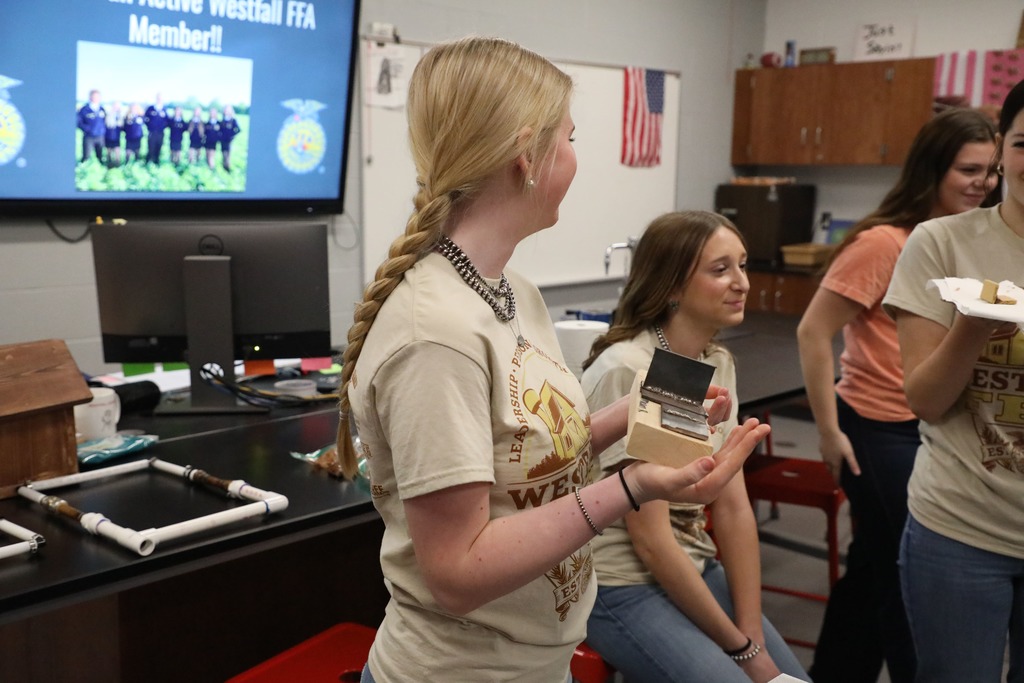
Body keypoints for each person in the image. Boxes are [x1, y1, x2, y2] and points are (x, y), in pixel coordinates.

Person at [335, 37, 771, 683]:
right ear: (527, 154)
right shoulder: (437, 333)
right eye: (569, 138)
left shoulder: (514, 292)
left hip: (536, 661)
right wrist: (631, 485)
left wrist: (632, 412)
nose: (575, 157)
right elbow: (457, 573)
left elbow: (518, 460)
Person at [796, 108, 998, 683]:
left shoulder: (967, 240)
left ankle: (834, 671)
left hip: (934, 427)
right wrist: (829, 431)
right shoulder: (884, 243)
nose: (982, 182)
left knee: (870, 566)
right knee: (905, 570)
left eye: (989, 170)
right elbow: (813, 331)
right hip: (878, 426)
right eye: (968, 169)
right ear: (933, 169)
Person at [580, 211, 809, 683]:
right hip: (620, 584)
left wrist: (753, 637)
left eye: (743, 265)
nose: (742, 282)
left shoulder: (715, 362)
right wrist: (743, 651)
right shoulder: (633, 368)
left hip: (692, 562)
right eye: (720, 269)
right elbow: (650, 541)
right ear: (671, 286)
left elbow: (733, 509)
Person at [881, 82, 1024, 683]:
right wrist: (973, 329)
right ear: (1001, 147)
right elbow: (926, 400)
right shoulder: (941, 242)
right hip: (962, 526)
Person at [77, 89, 106, 163]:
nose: (96, 98)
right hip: (89, 137)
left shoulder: (101, 109)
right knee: (86, 156)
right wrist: (88, 129)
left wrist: (102, 130)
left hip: (100, 136)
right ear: (90, 97)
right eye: (94, 97)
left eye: (97, 97)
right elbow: (79, 122)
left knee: (100, 156)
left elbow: (105, 121)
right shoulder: (84, 109)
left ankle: (99, 170)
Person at [143, 94, 168, 165]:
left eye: (160, 99)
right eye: (158, 98)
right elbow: (145, 118)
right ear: (156, 99)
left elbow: (167, 121)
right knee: (151, 147)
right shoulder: (151, 108)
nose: (159, 100)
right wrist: (149, 127)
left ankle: (156, 163)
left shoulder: (164, 109)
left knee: (158, 147)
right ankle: (148, 162)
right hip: (152, 132)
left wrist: (162, 127)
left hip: (160, 133)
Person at [220, 105, 241, 171]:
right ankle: (224, 167)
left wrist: (231, 135)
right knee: (223, 154)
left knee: (227, 155)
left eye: (228, 110)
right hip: (222, 140)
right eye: (225, 110)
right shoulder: (223, 119)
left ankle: (227, 169)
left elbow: (238, 130)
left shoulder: (233, 120)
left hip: (228, 141)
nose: (226, 111)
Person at [103, 101, 124, 168]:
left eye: (117, 107)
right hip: (108, 135)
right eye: (115, 106)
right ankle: (109, 163)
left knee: (117, 150)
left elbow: (122, 125)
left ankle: (117, 163)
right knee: (108, 150)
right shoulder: (108, 114)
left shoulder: (120, 115)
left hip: (116, 136)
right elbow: (107, 124)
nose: (116, 108)